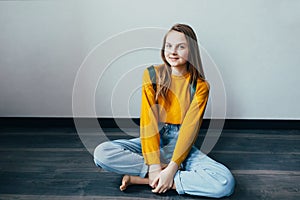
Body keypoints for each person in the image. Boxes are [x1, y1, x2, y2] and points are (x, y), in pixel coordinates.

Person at [94, 23, 235, 198]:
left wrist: (173, 166)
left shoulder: (200, 86)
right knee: (102, 153)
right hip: (155, 139)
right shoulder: (152, 74)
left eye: (181, 47)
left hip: (182, 142)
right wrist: (153, 165)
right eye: (169, 46)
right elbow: (148, 121)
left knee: (225, 183)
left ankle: (143, 179)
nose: (173, 51)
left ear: (191, 51)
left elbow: (189, 129)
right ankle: (163, 175)